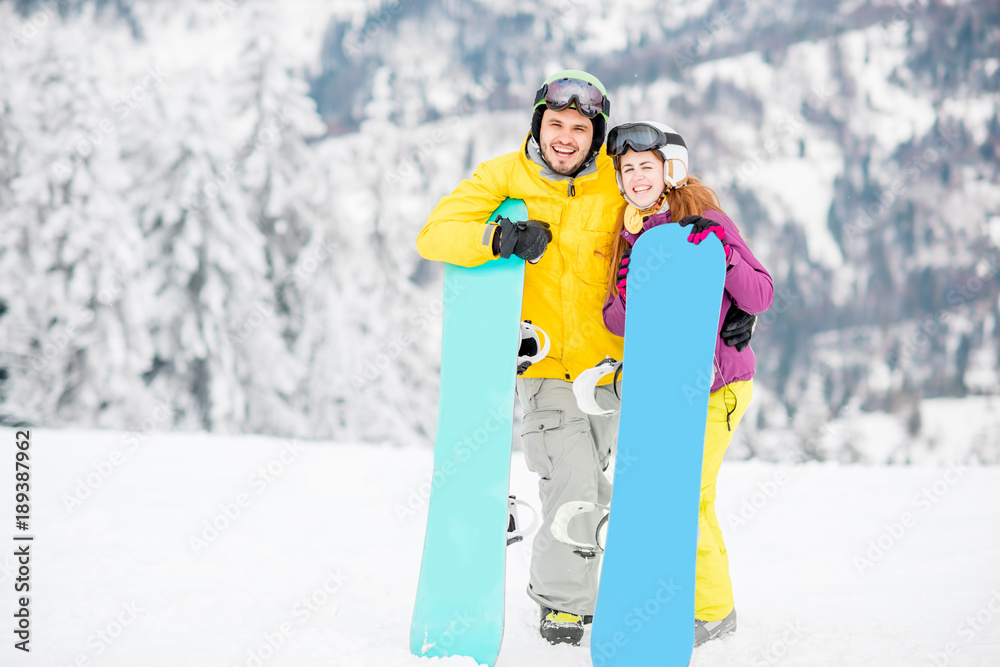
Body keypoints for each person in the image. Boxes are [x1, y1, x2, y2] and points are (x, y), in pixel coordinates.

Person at [416, 73, 758, 647]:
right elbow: (435, 233)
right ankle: (563, 607)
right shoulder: (505, 176)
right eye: (556, 125)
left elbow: (681, 221)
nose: (567, 138)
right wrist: (498, 238)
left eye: (580, 128)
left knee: (626, 494)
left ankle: (648, 600)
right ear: (537, 126)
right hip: (548, 370)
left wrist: (720, 305)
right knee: (573, 486)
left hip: (619, 374)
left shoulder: (616, 180)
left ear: (595, 133)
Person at [601, 120, 774, 646]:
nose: (636, 177)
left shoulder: (708, 220)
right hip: (666, 395)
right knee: (666, 497)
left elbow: (760, 294)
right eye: (627, 169)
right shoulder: (630, 233)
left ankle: (714, 609)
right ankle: (676, 598)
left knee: (688, 497)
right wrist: (631, 287)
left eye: (645, 167)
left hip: (717, 387)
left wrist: (721, 249)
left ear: (669, 170)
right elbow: (616, 320)